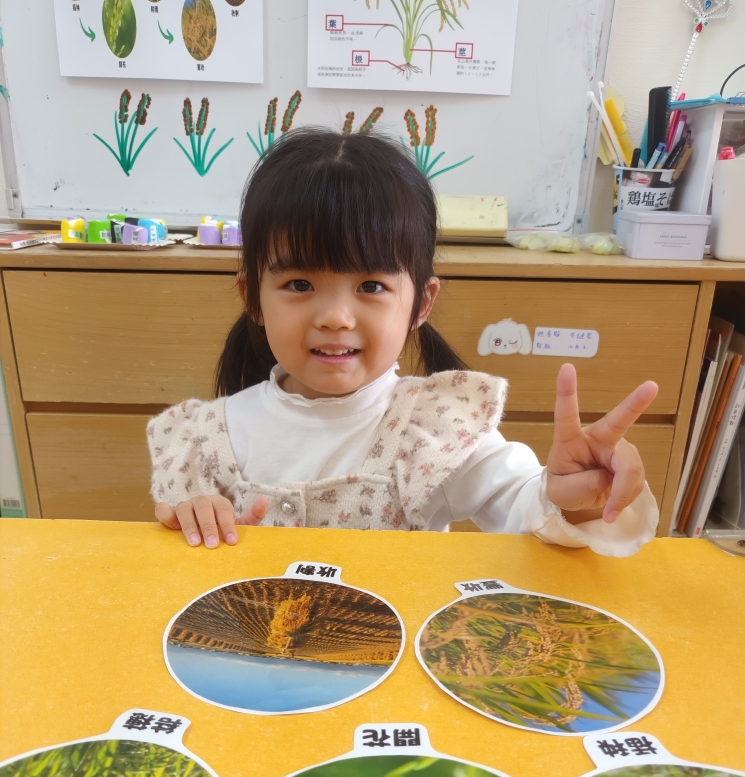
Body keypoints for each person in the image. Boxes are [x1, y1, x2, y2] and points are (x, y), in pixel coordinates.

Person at [148, 128, 659, 557]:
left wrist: (572, 496)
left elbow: (528, 508)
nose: (335, 317)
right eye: (299, 284)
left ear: (421, 303)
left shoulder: (434, 429)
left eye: (371, 286)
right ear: (253, 299)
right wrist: (193, 525)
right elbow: (170, 563)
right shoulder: (205, 438)